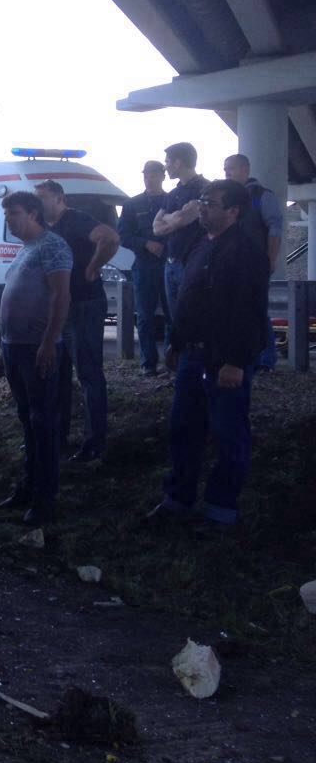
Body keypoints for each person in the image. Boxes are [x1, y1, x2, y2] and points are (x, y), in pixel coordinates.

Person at [146, 180, 268, 529]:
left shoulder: (245, 252)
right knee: (184, 429)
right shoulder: (200, 244)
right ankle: (177, 499)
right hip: (192, 355)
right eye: (202, 201)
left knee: (228, 433)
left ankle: (220, 511)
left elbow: (248, 311)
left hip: (223, 360)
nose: (202, 207)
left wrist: (235, 361)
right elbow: (189, 299)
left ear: (233, 211)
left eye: (211, 203)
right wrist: (176, 341)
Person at [0, 192, 71, 526]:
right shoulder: (26, 249)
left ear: (34, 213)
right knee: (28, 420)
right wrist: (3, 355)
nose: (8, 220)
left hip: (39, 348)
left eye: (14, 213)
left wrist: (49, 342)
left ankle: (45, 498)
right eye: (6, 214)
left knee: (43, 422)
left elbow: (61, 296)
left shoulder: (52, 246)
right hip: (15, 348)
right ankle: (29, 486)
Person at [35, 180, 120, 461]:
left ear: (59, 198)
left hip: (84, 305)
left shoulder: (76, 219)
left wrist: (92, 267)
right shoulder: (45, 229)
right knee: (57, 375)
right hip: (60, 308)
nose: (39, 203)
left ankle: (95, 442)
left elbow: (109, 238)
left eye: (43, 197)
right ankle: (58, 438)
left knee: (88, 373)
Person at [223, 153, 283, 370]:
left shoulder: (262, 196)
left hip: (255, 264)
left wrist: (271, 259)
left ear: (245, 170)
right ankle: (244, 356)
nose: (227, 173)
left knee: (257, 309)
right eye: (224, 169)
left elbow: (275, 228)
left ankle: (266, 360)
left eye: (231, 168)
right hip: (229, 263)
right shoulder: (227, 197)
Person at [118, 161, 170, 376]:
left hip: (169, 264)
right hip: (144, 265)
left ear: (162, 176)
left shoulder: (172, 200)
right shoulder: (132, 204)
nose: (149, 179)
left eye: (154, 175)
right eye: (146, 175)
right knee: (145, 316)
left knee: (172, 315)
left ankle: (171, 360)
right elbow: (122, 235)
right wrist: (145, 244)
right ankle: (148, 363)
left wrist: (165, 247)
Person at [152, 142, 208, 314]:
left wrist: (171, 218)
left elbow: (181, 220)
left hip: (193, 262)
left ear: (178, 163)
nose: (166, 167)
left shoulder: (205, 188)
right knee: (175, 319)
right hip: (171, 263)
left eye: (167, 162)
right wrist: (175, 217)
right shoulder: (172, 193)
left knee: (193, 316)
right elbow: (156, 227)